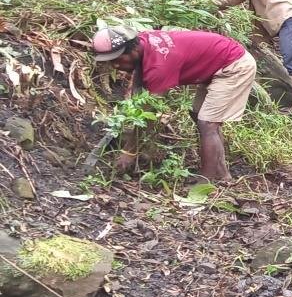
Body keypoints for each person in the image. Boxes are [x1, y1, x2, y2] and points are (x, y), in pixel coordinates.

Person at [92, 27, 257, 181]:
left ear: (133, 49)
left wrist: (130, 151)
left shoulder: (160, 65)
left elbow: (149, 113)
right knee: (200, 115)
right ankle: (222, 175)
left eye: (117, 59)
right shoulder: (143, 40)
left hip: (234, 65)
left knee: (207, 123)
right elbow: (140, 79)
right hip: (219, 61)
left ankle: (205, 183)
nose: (115, 66)